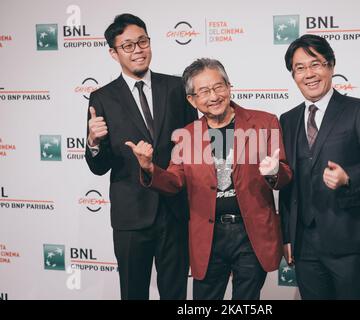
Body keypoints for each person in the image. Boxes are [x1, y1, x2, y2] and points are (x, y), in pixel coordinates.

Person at [126, 58, 293, 300]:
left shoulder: (265, 122)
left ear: (229, 86)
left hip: (251, 234)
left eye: (218, 87)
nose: (213, 96)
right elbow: (174, 180)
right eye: (203, 91)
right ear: (192, 100)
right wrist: (150, 168)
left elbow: (285, 174)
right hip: (208, 236)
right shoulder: (187, 135)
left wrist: (275, 172)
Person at [85, 13, 197, 300]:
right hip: (131, 215)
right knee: (133, 293)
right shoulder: (102, 98)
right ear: (113, 53)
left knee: (176, 294)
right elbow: (99, 167)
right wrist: (94, 142)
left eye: (142, 41)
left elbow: (193, 148)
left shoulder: (176, 88)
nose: (138, 50)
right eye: (128, 46)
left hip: (174, 212)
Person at [279, 34, 360, 300]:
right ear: (293, 75)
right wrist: (287, 235)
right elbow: (287, 183)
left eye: (316, 64)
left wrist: (348, 176)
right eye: (300, 68)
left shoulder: (359, 110)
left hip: (349, 239)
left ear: (331, 65)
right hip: (304, 244)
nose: (309, 74)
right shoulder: (287, 119)